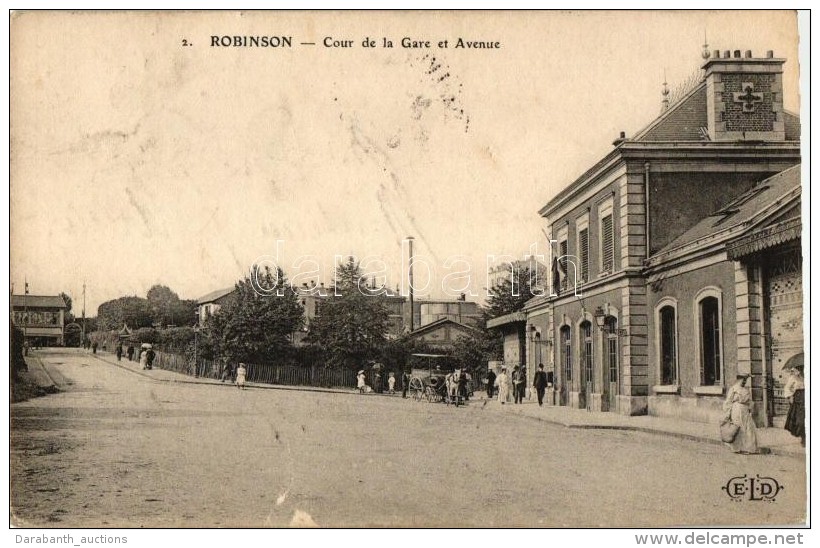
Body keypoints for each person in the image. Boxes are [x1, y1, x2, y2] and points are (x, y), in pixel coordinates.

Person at [722, 373, 759, 454]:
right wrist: (727, 412)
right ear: (738, 379)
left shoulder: (746, 390)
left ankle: (748, 448)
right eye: (743, 379)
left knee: (748, 427)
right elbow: (728, 401)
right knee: (737, 428)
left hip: (745, 411)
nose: (744, 382)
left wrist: (751, 408)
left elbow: (749, 401)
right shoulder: (733, 389)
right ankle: (736, 448)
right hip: (736, 409)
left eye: (745, 380)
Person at [783, 364, 805, 447]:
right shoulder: (794, 378)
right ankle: (803, 437)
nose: (801, 371)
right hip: (798, 401)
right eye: (800, 369)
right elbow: (787, 388)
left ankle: (806, 438)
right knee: (800, 421)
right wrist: (790, 396)